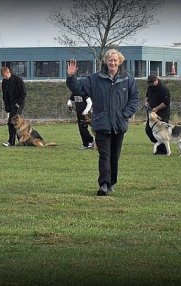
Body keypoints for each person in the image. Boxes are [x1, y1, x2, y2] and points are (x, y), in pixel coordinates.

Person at [66, 49, 139, 196]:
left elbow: (134, 99)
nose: (112, 63)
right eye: (110, 60)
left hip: (119, 124)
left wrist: (126, 114)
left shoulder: (128, 79)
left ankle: (111, 182)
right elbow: (78, 88)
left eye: (115, 60)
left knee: (114, 155)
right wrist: (71, 76)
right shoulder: (95, 79)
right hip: (101, 123)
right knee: (104, 154)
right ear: (106, 61)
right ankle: (104, 184)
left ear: (120, 62)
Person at [143, 74, 171, 155]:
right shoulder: (150, 87)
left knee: (161, 132)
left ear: (156, 80)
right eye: (149, 83)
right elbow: (147, 96)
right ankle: (159, 146)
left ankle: (163, 151)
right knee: (148, 130)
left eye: (151, 82)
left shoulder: (164, 89)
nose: (150, 84)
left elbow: (166, 103)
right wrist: (146, 102)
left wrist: (156, 109)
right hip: (152, 113)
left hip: (162, 113)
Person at [1, 66, 27, 146]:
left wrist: (18, 104)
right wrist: (7, 106)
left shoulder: (18, 80)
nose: (5, 77)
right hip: (11, 104)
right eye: (3, 76)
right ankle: (21, 141)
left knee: (11, 122)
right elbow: (5, 95)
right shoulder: (4, 82)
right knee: (17, 123)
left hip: (18, 104)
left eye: (6, 75)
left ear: (9, 72)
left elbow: (23, 93)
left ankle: (11, 141)